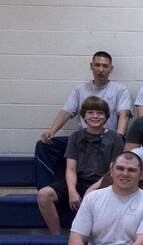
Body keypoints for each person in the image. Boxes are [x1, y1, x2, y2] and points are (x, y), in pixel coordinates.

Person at [35, 51, 131, 189]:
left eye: (105, 66)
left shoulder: (119, 89)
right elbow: (66, 112)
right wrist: (51, 132)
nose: (101, 69)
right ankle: (46, 188)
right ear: (91, 66)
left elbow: (124, 114)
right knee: (44, 145)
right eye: (97, 65)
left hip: (107, 141)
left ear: (111, 69)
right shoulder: (80, 89)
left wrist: (119, 136)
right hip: (82, 141)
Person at [37, 96, 124, 234]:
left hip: (103, 183)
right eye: (90, 112)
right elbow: (71, 169)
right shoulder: (76, 137)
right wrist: (72, 191)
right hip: (78, 181)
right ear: (83, 115)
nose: (95, 116)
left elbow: (112, 171)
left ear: (106, 116)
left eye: (100, 113)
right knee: (44, 195)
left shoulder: (115, 138)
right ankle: (56, 237)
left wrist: (91, 190)